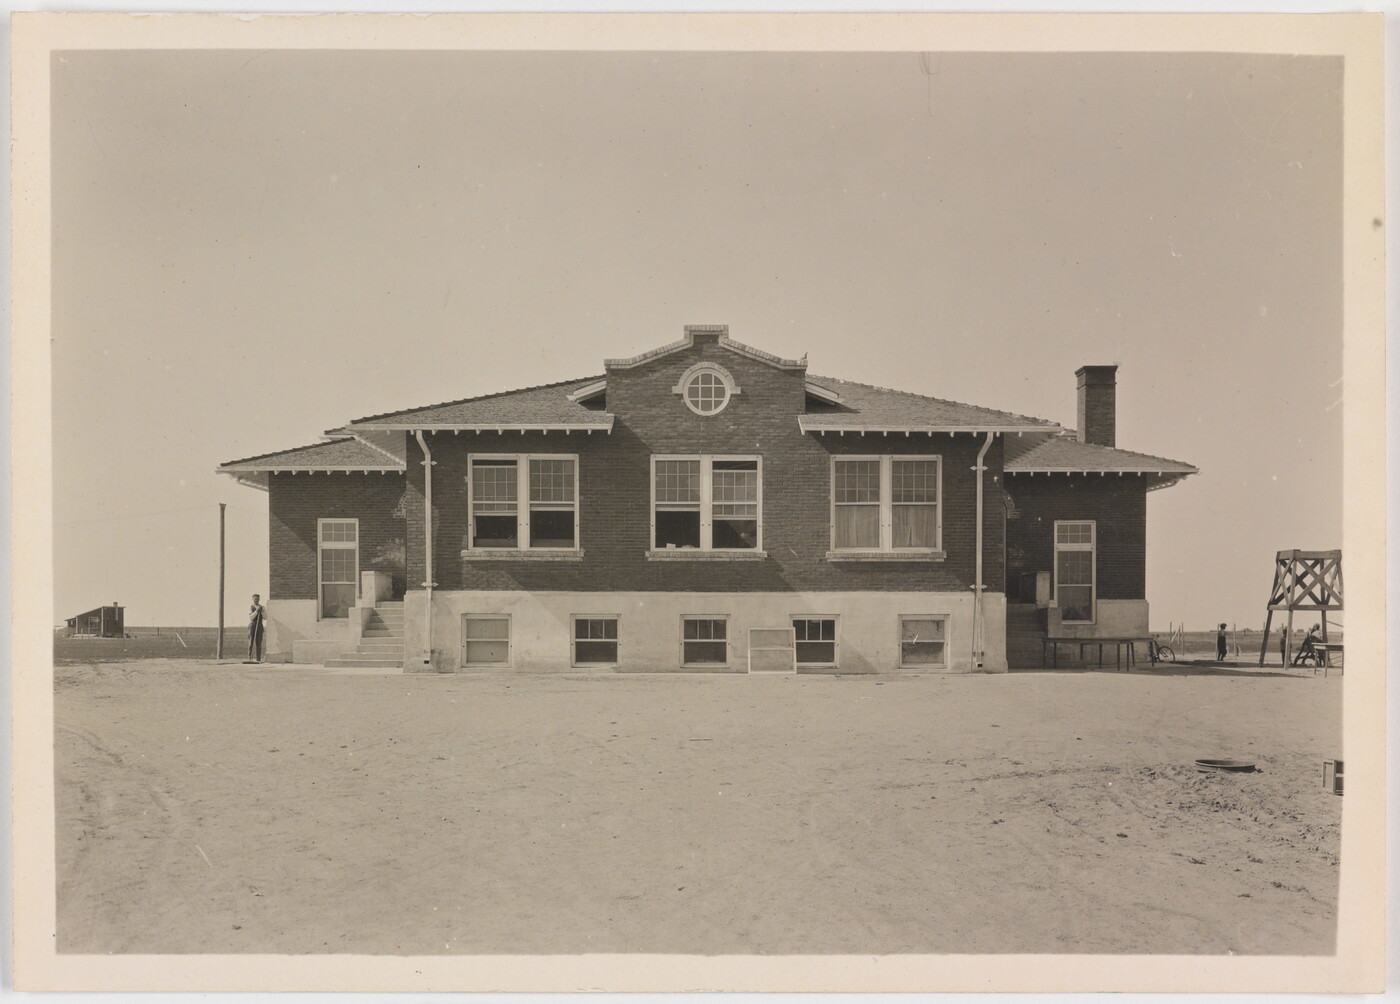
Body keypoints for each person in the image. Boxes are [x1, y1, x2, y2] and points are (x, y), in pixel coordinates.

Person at [247, 594, 266, 663]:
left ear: (259, 599)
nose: (256, 600)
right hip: (253, 625)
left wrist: (262, 611)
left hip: (259, 625)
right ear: (252, 599)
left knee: (259, 642)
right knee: (251, 641)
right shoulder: (251, 607)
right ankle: (249, 658)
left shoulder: (262, 607)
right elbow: (251, 617)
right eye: (255, 599)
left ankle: (258, 659)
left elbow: (265, 617)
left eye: (257, 599)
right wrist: (257, 611)